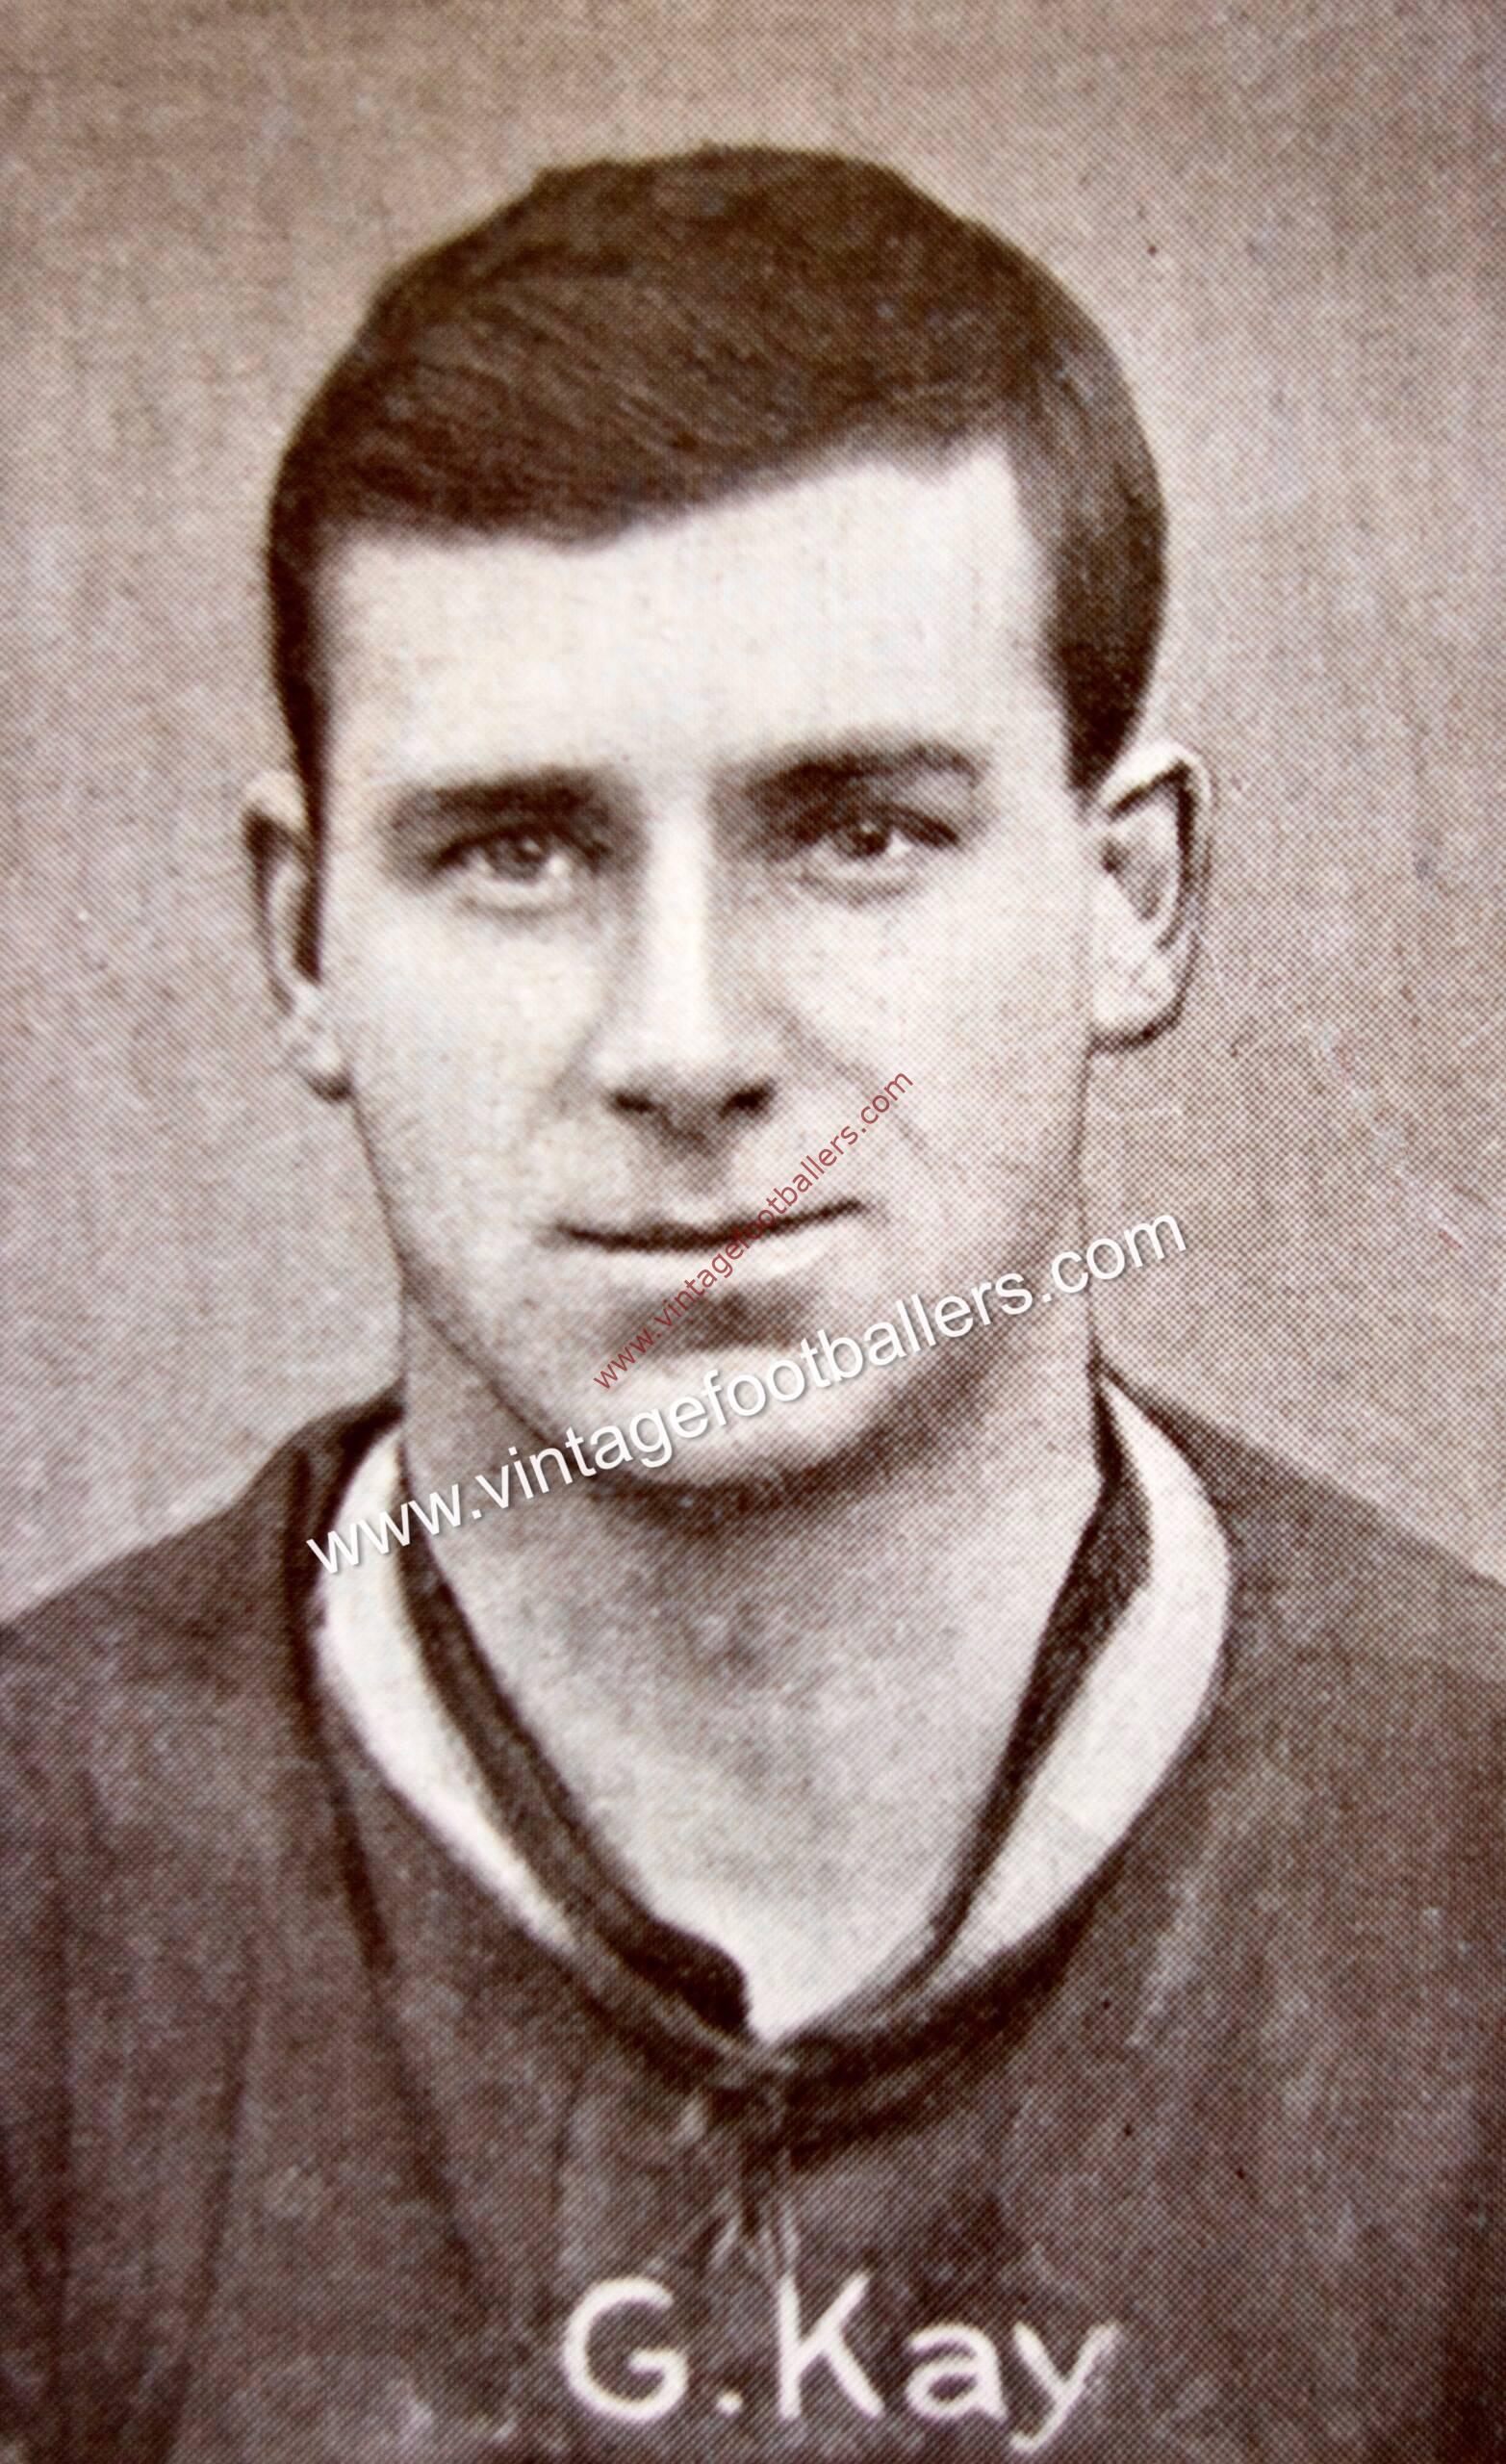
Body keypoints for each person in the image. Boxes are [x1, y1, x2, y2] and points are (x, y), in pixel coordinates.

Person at [2, 146, 1502, 2464]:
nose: (686, 1044)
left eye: (859, 830)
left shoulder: (1470, 1861)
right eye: (517, 850)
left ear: (1133, 897)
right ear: (303, 938)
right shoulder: (42, 1879)